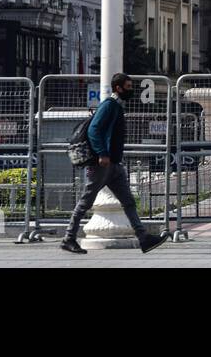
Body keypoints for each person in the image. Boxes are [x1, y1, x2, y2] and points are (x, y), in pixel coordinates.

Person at [61, 73, 167, 254]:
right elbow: (94, 129)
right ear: (118, 87)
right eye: (128, 86)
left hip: (114, 165)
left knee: (128, 202)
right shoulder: (109, 105)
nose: (131, 90)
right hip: (102, 164)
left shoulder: (116, 106)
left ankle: (144, 239)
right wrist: (102, 154)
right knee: (86, 201)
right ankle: (68, 238)